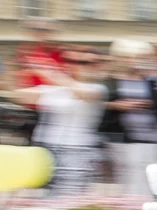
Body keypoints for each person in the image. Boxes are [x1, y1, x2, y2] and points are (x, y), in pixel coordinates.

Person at [16, 49, 107, 197]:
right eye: (72, 62)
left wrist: (53, 74)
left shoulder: (97, 88)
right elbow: (21, 96)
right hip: (47, 146)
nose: (79, 66)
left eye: (86, 63)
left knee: (71, 194)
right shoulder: (55, 89)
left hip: (77, 148)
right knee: (45, 193)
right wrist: (23, 71)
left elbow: (84, 94)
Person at [99, 39, 157, 198]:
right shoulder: (110, 80)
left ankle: (143, 207)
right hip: (120, 137)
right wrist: (116, 106)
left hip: (150, 137)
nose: (134, 61)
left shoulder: (152, 81)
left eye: (139, 57)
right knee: (125, 177)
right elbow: (97, 104)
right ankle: (128, 209)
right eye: (129, 57)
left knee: (147, 175)